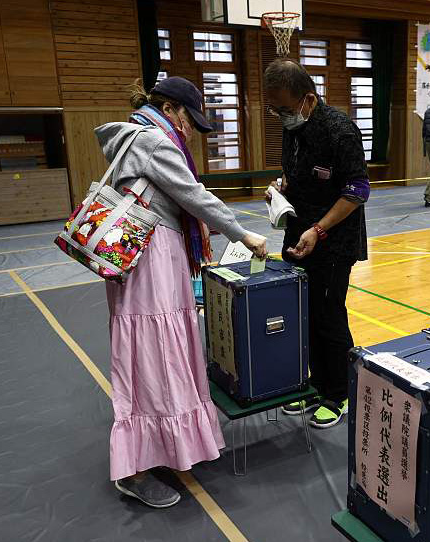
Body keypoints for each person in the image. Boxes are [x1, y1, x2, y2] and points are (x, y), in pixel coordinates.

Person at [94, 77, 267, 508]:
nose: (190, 132)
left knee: (156, 356)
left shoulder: (137, 137)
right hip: (150, 265)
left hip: (148, 262)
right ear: (171, 110)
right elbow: (195, 197)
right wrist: (244, 234)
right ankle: (133, 469)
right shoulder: (154, 141)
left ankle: (164, 448)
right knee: (154, 355)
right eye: (190, 121)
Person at [263, 59, 369, 429]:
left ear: (308, 99)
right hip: (298, 233)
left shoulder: (340, 130)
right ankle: (316, 383)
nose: (280, 116)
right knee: (303, 312)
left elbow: (357, 191)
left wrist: (319, 230)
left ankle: (340, 392)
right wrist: (282, 187)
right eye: (274, 109)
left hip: (334, 240)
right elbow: (297, 171)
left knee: (328, 314)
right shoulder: (293, 128)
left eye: (285, 109)